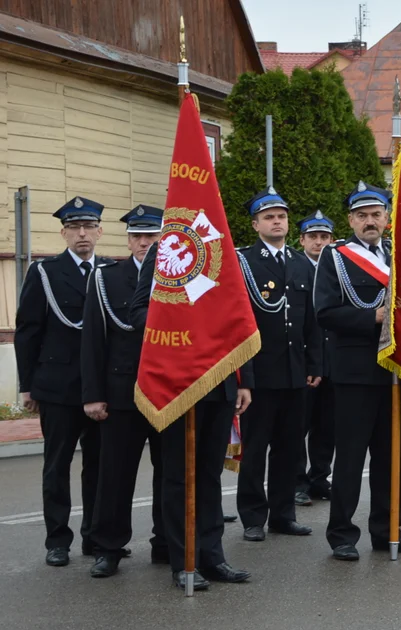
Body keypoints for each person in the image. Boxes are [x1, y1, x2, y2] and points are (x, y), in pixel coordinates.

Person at [130, 241, 254, 590]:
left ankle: (213, 557)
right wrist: (177, 327)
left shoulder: (222, 252)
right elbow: (138, 312)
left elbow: (241, 318)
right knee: (178, 477)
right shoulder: (163, 251)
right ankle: (182, 560)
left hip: (220, 383)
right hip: (178, 384)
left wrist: (245, 381)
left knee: (210, 476)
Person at [313, 181, 401, 558]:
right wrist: (371, 317)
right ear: (351, 220)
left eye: (376, 214)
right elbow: (324, 313)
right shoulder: (335, 256)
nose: (370, 221)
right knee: (350, 458)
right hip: (355, 372)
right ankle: (342, 536)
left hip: (396, 370)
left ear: (387, 218)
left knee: (392, 457)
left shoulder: (400, 255)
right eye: (362, 216)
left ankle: (389, 530)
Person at [15, 196, 114, 567]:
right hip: (58, 386)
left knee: (99, 466)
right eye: (74, 228)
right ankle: (57, 540)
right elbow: (27, 331)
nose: (82, 234)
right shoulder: (45, 272)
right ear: (63, 233)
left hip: (100, 388)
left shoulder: (109, 271)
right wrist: (27, 386)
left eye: (89, 227)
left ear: (100, 232)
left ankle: (94, 536)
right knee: (56, 466)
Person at [81, 205, 167, 577]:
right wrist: (93, 394)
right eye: (138, 236)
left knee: (170, 473)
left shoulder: (178, 277)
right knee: (114, 474)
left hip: (169, 389)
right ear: (129, 240)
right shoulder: (106, 278)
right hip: (122, 391)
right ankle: (109, 547)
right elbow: (93, 342)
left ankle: (168, 542)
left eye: (151, 236)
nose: (144, 243)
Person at [234, 187, 320, 541]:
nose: (277, 222)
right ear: (256, 224)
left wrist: (315, 363)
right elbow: (239, 323)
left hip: (295, 372)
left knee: (290, 448)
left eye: (281, 216)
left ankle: (284, 514)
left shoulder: (302, 263)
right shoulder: (244, 262)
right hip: (260, 373)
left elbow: (312, 320)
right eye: (269, 217)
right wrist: (245, 376)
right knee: (255, 449)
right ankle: (254, 517)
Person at [294, 210, 336, 506]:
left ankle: (320, 477)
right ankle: (297, 483)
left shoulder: (338, 267)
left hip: (333, 362)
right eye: (313, 237)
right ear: (302, 240)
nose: (318, 242)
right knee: (299, 427)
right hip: (305, 363)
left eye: (324, 237)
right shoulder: (296, 268)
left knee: (327, 426)